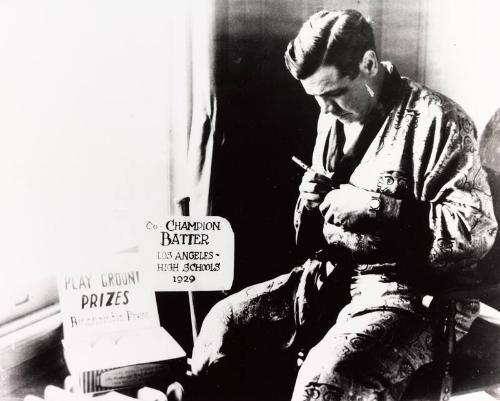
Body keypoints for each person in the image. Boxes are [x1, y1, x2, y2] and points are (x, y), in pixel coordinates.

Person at [189, 9, 498, 401]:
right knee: (224, 325)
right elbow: (314, 231)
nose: (325, 111)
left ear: (368, 64)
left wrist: (378, 208)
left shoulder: (441, 120)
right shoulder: (333, 117)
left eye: (333, 94)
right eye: (316, 98)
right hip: (330, 277)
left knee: (325, 381)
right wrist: (311, 199)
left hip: (409, 295)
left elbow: (476, 229)